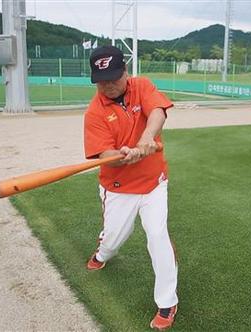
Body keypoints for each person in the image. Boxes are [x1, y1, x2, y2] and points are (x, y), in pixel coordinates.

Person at [83, 45, 178, 330]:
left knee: (157, 234)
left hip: (153, 184)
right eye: (101, 80)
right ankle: (102, 253)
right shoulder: (94, 113)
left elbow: (158, 111)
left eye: (113, 77)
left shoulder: (142, 86)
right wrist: (122, 155)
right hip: (118, 187)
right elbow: (104, 158)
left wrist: (147, 137)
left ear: (125, 71)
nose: (108, 85)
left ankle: (167, 301)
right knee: (113, 239)